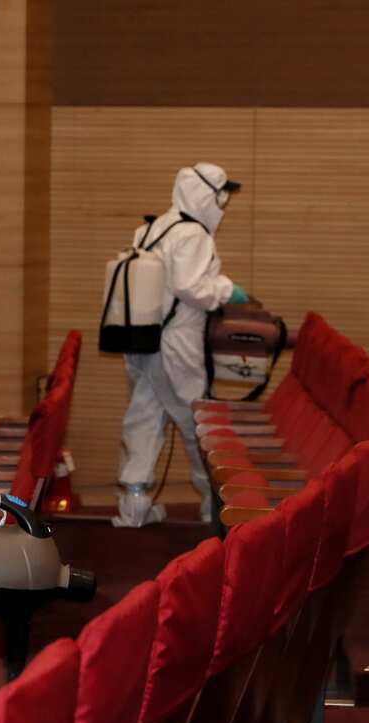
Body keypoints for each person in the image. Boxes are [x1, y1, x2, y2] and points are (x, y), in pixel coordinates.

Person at [114, 163, 249, 527]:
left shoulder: (151, 228)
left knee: (143, 418)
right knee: (199, 424)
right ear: (206, 194)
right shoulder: (193, 234)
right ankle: (216, 509)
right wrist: (227, 290)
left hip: (142, 340)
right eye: (221, 195)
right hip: (177, 344)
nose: (223, 203)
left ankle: (134, 508)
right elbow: (193, 287)